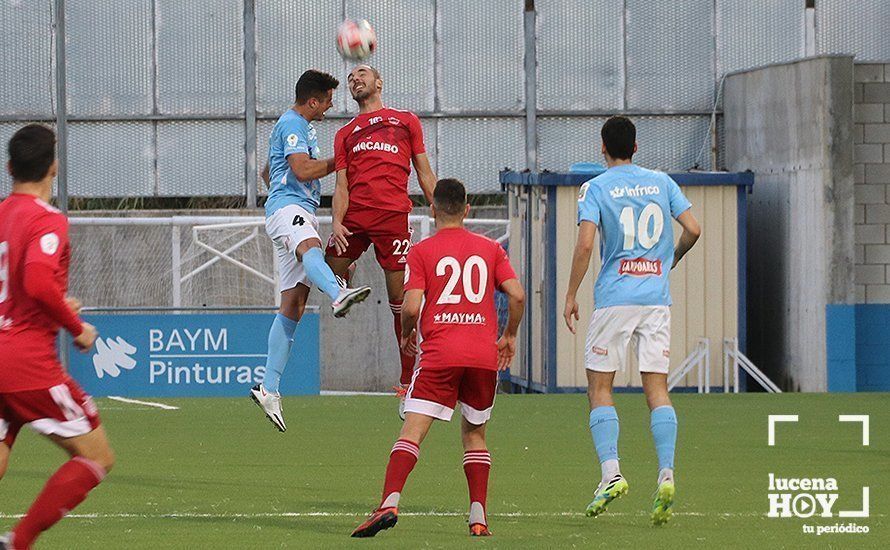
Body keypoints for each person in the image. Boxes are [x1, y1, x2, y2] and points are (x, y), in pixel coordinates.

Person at [351, 178, 525, 538]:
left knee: (412, 432)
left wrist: (407, 331)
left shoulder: (422, 250)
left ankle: (388, 503)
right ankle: (478, 516)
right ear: (466, 210)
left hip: (441, 354)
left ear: (432, 209)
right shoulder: (490, 249)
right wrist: (509, 335)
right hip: (481, 356)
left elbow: (411, 306)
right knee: (475, 433)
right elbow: (518, 295)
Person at [563, 116, 701, 525]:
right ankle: (667, 473)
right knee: (656, 386)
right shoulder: (661, 182)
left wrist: (571, 294)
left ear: (601, 148)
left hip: (615, 300)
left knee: (599, 384)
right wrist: (669, 260)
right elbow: (693, 229)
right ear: (636, 148)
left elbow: (586, 244)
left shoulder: (596, 187)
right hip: (656, 300)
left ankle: (611, 474)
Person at [0, 125, 113, 550]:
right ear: (54, 168)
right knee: (97, 456)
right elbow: (36, 281)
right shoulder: (46, 219)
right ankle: (18, 542)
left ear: (9, 167)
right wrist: (75, 326)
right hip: (26, 361)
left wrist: (55, 305)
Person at [250, 70, 371, 432]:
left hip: (293, 208)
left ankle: (268, 388)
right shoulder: (293, 122)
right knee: (310, 246)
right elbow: (301, 170)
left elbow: (267, 172)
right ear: (313, 101)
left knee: (294, 304)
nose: (330, 108)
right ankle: (337, 293)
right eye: (327, 102)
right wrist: (342, 159)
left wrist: (283, 189)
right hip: (289, 211)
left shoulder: (300, 126)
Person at [325, 65, 438, 419]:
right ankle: (349, 271)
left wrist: (440, 208)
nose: (354, 79)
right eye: (350, 79)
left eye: (361, 74)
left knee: (401, 305)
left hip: (392, 218)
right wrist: (337, 221)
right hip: (356, 216)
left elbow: (423, 170)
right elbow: (341, 184)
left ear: (378, 82)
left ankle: (407, 383)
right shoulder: (345, 133)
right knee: (328, 270)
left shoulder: (405, 121)